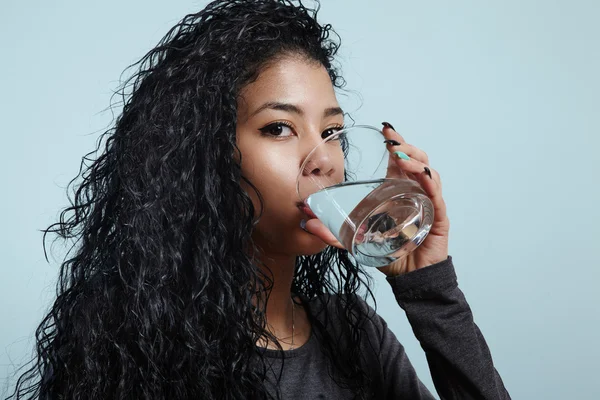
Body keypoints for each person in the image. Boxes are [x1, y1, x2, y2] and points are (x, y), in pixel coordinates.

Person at [8, 0, 511, 399]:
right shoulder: (134, 344)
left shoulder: (351, 330)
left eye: (332, 130)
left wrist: (428, 288)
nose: (325, 160)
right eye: (279, 128)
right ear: (204, 158)